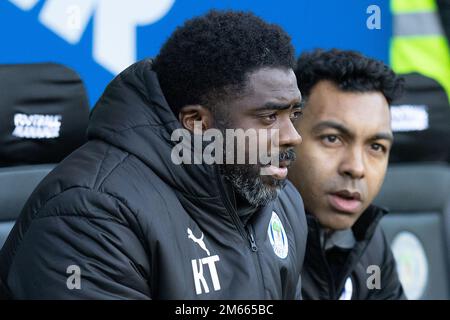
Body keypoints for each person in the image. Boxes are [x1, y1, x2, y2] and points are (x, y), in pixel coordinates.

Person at [0, 10, 307, 299]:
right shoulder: (89, 215)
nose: (292, 137)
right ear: (197, 123)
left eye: (293, 114)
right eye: (269, 117)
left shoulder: (283, 203)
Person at [288, 49, 405, 300]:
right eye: (332, 139)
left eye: (376, 147)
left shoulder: (369, 242)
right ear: (287, 137)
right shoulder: (248, 242)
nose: (356, 167)